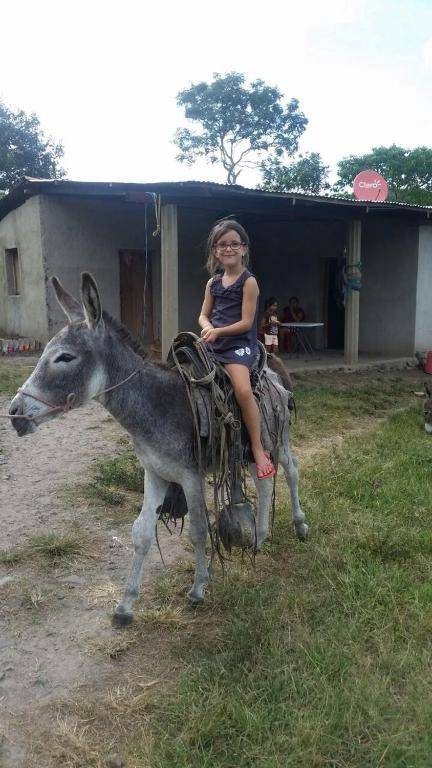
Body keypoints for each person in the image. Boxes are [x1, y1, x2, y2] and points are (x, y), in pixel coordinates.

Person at [198, 219, 275, 480]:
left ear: (243, 248)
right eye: (222, 244)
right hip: (213, 342)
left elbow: (245, 322)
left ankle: (257, 447)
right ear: (215, 250)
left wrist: (218, 331)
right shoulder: (213, 283)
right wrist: (208, 326)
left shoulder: (248, 282)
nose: (228, 248)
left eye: (233, 244)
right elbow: (203, 315)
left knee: (242, 390)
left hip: (238, 346)